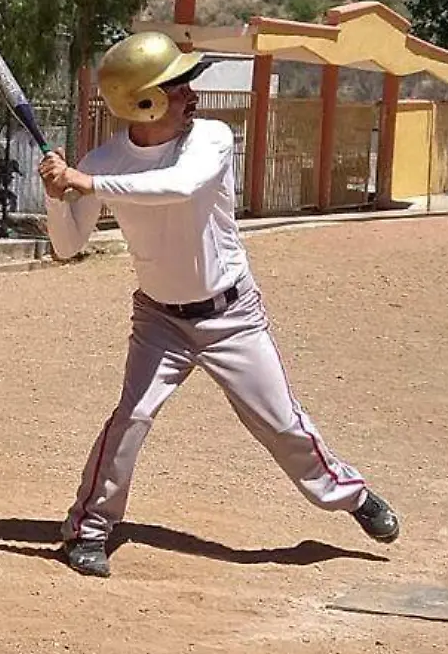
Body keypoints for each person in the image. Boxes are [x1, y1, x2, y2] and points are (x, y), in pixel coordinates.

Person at [38, 31, 401, 579]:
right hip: (158, 318)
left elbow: (178, 187)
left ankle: (349, 495)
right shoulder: (105, 160)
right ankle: (88, 529)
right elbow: (68, 247)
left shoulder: (209, 139)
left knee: (280, 423)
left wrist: (86, 181)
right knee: (130, 419)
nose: (191, 94)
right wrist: (55, 191)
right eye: (178, 86)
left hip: (231, 314)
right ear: (146, 100)